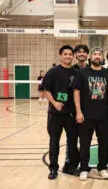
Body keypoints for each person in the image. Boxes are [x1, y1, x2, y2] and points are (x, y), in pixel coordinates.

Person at [73, 47, 108, 180]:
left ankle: (102, 167)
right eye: (95, 54)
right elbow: (76, 92)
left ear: (102, 58)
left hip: (104, 116)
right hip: (86, 115)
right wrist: (78, 111)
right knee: (85, 143)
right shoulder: (82, 72)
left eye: (99, 54)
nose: (97, 56)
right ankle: (84, 167)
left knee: (104, 143)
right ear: (90, 57)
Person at [42, 45, 79, 180]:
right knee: (54, 142)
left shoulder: (76, 72)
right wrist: (54, 103)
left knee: (72, 142)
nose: (68, 56)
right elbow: (45, 89)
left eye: (70, 54)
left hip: (71, 114)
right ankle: (53, 168)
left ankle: (72, 167)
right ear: (60, 55)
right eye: (65, 54)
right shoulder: (53, 72)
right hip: (55, 113)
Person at [62, 44, 89, 175]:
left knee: (85, 140)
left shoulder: (91, 69)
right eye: (79, 52)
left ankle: (83, 164)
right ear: (75, 55)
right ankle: (69, 163)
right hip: (72, 112)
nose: (82, 54)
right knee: (71, 139)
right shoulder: (70, 70)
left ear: (87, 55)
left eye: (84, 52)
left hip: (88, 112)